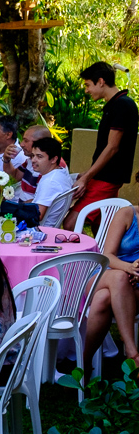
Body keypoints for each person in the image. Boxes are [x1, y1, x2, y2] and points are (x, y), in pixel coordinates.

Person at [67, 61, 139, 229]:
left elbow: (112, 147)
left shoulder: (122, 105)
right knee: (102, 226)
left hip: (107, 178)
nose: (86, 90)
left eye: (88, 85)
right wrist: (88, 174)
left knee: (71, 223)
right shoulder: (117, 104)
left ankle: (85, 256)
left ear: (100, 81)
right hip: (106, 177)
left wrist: (86, 177)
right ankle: (104, 254)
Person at [85, 194, 139, 363]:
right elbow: (107, 255)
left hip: (135, 286)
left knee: (103, 299)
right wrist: (128, 268)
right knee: (120, 278)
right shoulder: (127, 214)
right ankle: (132, 353)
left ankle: (84, 363)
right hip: (105, 275)